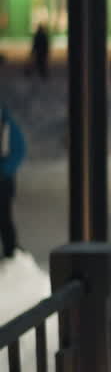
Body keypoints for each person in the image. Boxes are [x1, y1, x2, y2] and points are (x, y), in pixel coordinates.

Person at [0, 103, 27, 259]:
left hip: (4, 180)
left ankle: (11, 252)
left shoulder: (7, 126)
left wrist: (4, 170)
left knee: (4, 217)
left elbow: (19, 150)